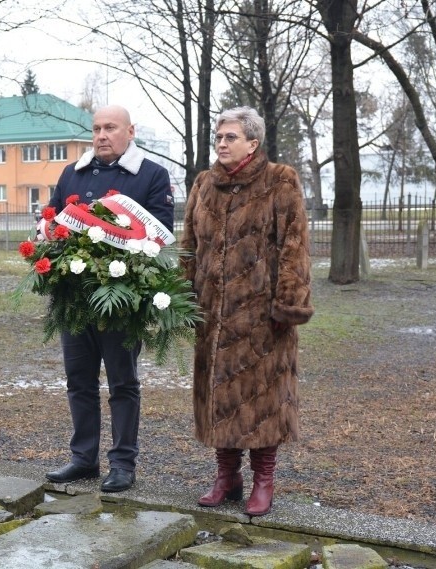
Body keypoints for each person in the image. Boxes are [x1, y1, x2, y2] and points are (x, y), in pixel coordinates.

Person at [180, 107, 314, 516]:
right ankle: (226, 478)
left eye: (230, 137)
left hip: (261, 319)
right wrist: (182, 298)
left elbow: (294, 245)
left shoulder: (280, 181)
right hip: (213, 318)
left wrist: (287, 305)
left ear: (252, 144)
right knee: (218, 398)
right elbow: (189, 245)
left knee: (263, 402)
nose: (221, 143)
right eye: (219, 137)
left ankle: (264, 481)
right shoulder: (204, 184)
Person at [44, 105, 175, 492]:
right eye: (97, 128)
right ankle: (83, 459)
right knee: (79, 381)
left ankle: (122, 464)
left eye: (110, 128)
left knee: (122, 383)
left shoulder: (152, 175)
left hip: (122, 301)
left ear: (130, 131)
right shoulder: (73, 173)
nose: (101, 135)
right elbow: (53, 220)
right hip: (75, 299)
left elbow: (160, 235)